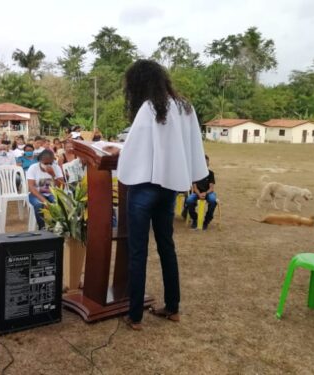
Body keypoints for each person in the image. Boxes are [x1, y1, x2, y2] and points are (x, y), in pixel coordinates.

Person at [116, 60, 208, 330]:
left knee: (137, 251)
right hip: (169, 188)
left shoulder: (149, 107)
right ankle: (173, 307)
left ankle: (134, 315)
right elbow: (192, 146)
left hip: (144, 188)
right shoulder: (185, 107)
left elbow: (133, 149)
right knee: (167, 247)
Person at [26, 150, 65, 229]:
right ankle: (42, 228)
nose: (48, 165)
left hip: (51, 193)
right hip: (36, 194)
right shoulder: (33, 168)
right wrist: (44, 201)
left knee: (58, 203)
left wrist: (53, 175)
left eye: (50, 163)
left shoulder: (56, 167)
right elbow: (31, 187)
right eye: (45, 163)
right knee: (38, 205)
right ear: (40, 161)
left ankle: (56, 227)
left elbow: (62, 186)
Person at [184, 155, 217, 230]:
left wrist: (205, 193)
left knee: (212, 200)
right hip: (197, 193)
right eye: (204, 162)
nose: (205, 164)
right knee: (189, 201)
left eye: (207, 162)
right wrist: (199, 194)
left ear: (208, 164)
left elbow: (211, 188)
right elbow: (194, 187)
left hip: (208, 193)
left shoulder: (211, 173)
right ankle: (195, 219)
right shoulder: (196, 174)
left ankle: (207, 220)